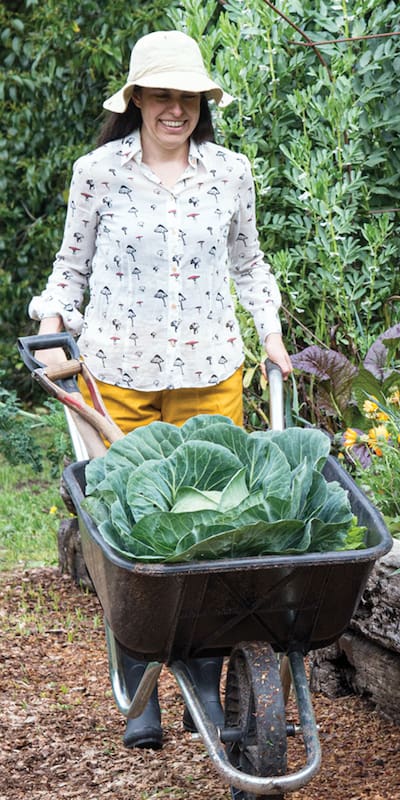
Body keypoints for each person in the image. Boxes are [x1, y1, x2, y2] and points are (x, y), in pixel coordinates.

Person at [28, 30, 293, 750]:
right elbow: (69, 268)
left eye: (189, 97)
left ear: (202, 103)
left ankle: (205, 669)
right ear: (138, 98)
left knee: (216, 529)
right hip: (119, 379)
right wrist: (54, 322)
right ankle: (138, 664)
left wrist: (270, 331)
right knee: (130, 532)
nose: (175, 109)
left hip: (212, 373)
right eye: (162, 94)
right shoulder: (98, 172)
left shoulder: (230, 173)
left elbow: (250, 263)